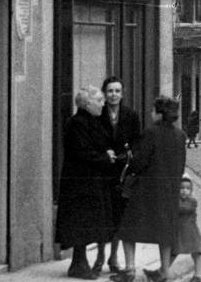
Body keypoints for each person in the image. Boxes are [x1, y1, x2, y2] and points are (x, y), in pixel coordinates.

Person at [116, 95, 187, 282]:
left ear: (159, 113)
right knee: (165, 232)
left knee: (128, 228)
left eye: (153, 110)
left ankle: (130, 269)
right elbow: (181, 165)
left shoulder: (150, 133)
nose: (150, 113)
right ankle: (165, 270)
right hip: (170, 190)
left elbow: (139, 161)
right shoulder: (180, 136)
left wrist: (129, 170)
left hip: (147, 190)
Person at [56, 86, 117, 280]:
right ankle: (79, 264)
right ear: (87, 103)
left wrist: (107, 152)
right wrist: (105, 157)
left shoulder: (93, 122)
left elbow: (98, 146)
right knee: (81, 223)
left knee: (88, 223)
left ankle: (80, 263)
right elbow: (82, 152)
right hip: (80, 183)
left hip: (91, 182)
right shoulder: (77, 123)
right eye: (99, 100)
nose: (103, 103)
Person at [95, 75, 141, 276]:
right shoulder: (98, 114)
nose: (113, 95)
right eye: (110, 91)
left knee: (118, 218)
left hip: (122, 174)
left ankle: (113, 257)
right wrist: (104, 153)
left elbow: (137, 143)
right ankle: (99, 256)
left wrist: (128, 157)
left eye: (117, 91)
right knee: (102, 217)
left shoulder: (131, 115)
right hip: (102, 171)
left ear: (122, 94)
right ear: (104, 94)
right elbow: (93, 140)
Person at [174, 176, 201, 282]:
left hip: (191, 230)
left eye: (188, 189)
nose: (184, 191)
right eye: (182, 188)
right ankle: (162, 272)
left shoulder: (192, 202)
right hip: (180, 230)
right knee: (173, 252)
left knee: (197, 251)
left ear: (191, 191)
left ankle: (197, 275)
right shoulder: (177, 201)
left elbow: (184, 208)